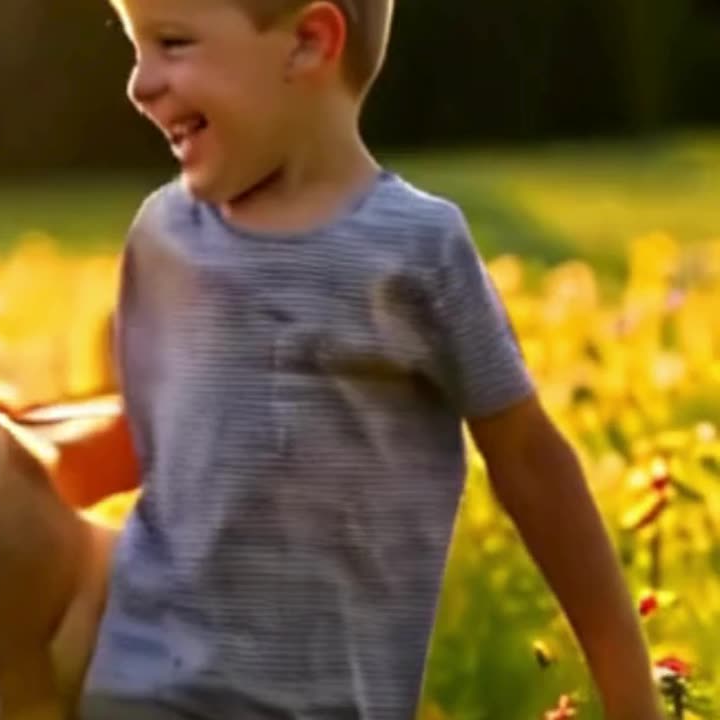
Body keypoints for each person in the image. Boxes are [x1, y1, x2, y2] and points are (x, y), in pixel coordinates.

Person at [77, 1, 665, 717]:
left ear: (308, 42)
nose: (139, 84)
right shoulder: (161, 236)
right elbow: (150, 445)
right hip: (137, 695)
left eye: (171, 43)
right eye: (136, 47)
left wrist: (631, 693)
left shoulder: (415, 249)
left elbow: (531, 463)